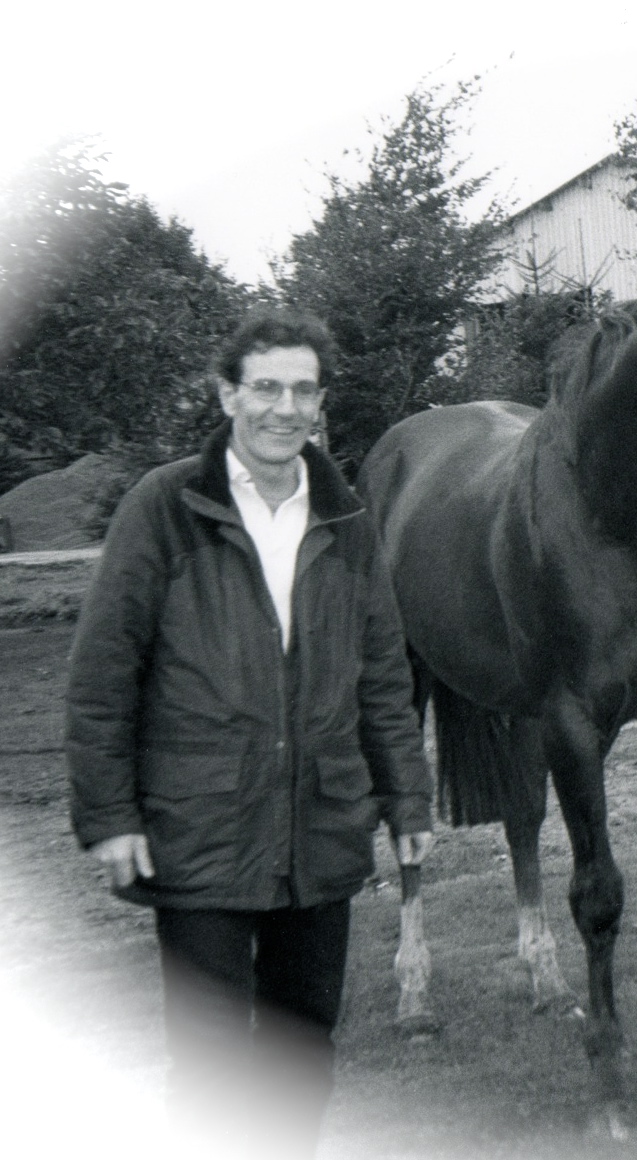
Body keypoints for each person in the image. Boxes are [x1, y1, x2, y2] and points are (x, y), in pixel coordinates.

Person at [66, 308, 435, 1158]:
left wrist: (406, 801)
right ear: (228, 393)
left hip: (322, 828)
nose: (285, 408)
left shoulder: (345, 520)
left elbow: (383, 674)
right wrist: (111, 814)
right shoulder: (163, 508)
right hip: (199, 834)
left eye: (303, 389)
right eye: (266, 387)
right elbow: (101, 673)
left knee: (302, 1054)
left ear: (322, 404)